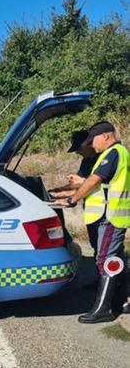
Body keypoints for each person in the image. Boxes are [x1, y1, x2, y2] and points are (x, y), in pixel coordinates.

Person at [54, 122, 130, 323]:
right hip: (106, 216)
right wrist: (66, 195)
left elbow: (92, 182)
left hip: (111, 216)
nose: (92, 146)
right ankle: (123, 301)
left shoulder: (114, 153)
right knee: (113, 258)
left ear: (105, 136)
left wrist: (73, 198)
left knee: (106, 260)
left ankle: (103, 309)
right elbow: (99, 186)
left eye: (92, 141)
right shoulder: (110, 154)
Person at [49, 130, 100, 256]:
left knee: (105, 248)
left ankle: (113, 275)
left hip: (104, 213)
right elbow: (77, 185)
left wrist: (70, 199)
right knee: (96, 244)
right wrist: (60, 191)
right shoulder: (86, 161)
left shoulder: (101, 160)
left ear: (88, 144)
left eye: (78, 148)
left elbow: (89, 184)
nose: (77, 152)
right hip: (91, 212)